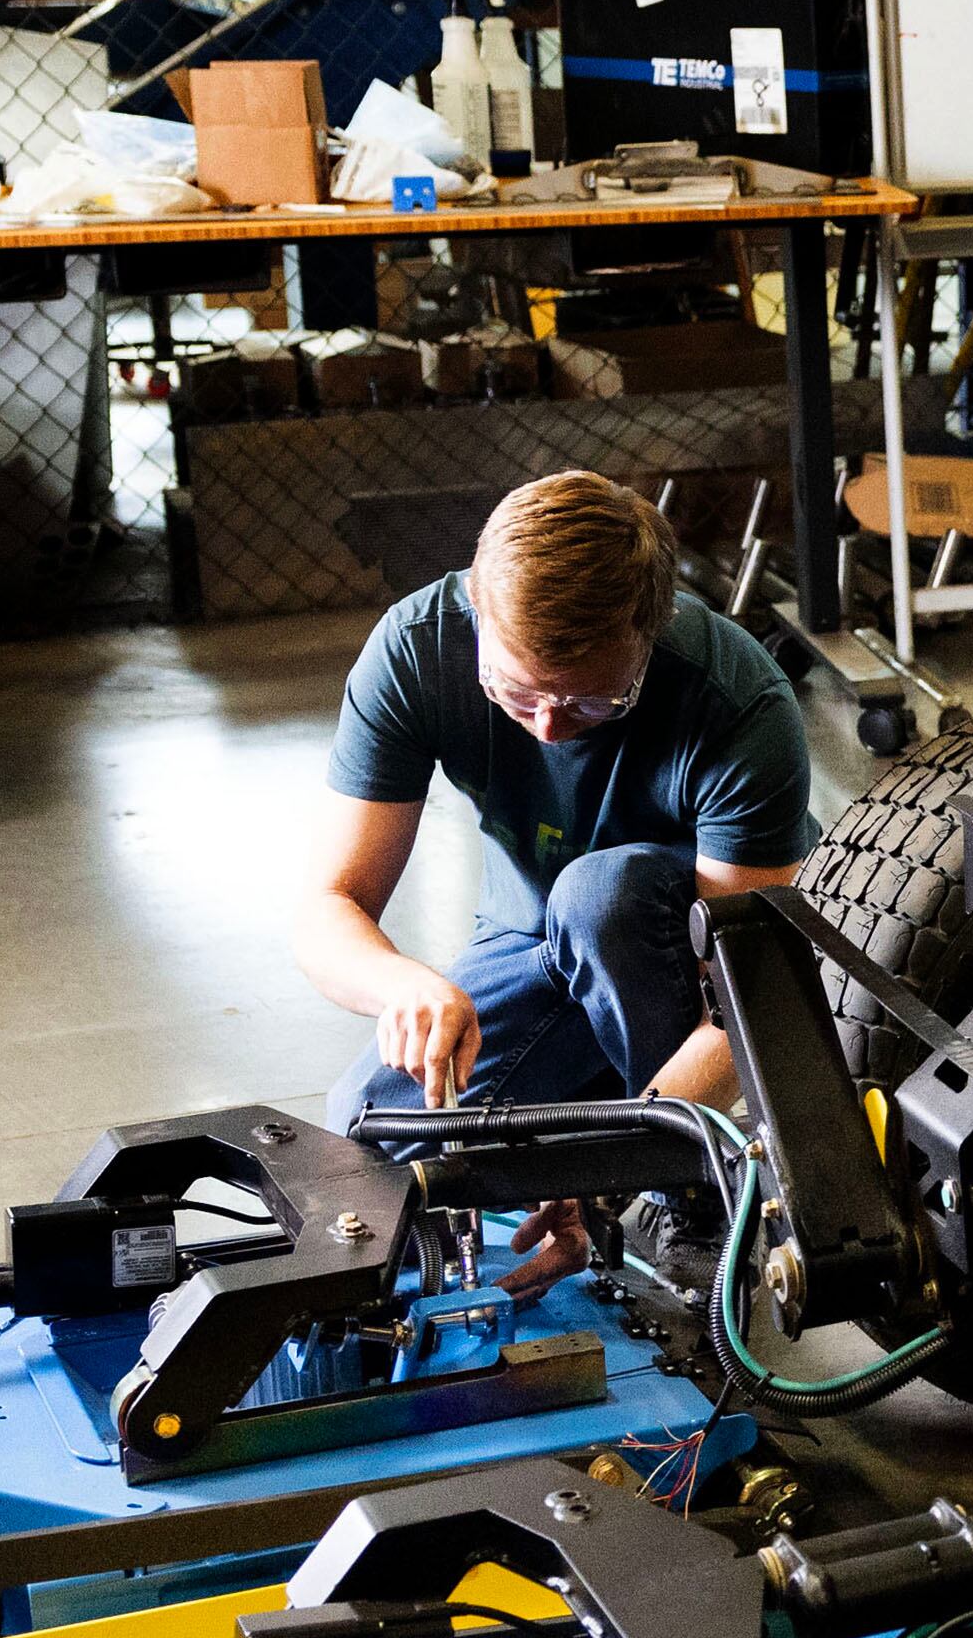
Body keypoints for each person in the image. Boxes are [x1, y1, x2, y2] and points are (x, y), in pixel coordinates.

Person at [299, 470, 815, 1290]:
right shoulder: (417, 649)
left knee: (598, 896)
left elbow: (745, 998)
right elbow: (331, 908)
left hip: (675, 962)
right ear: (476, 605)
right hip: (528, 940)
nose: (546, 726)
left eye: (591, 704)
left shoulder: (737, 701)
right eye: (516, 690)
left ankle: (692, 1186)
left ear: (653, 631)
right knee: (366, 1136)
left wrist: (606, 1169)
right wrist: (404, 987)